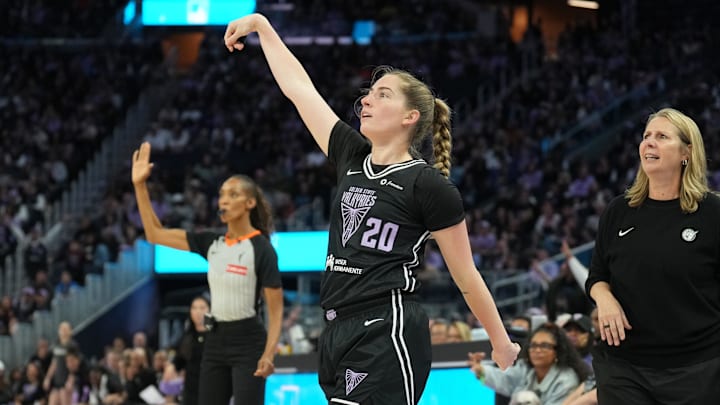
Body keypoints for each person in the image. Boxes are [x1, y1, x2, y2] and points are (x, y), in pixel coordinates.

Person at [223, 13, 520, 405]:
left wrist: (500, 342)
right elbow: (299, 89)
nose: (366, 98)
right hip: (336, 328)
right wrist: (262, 25)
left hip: (387, 326)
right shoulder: (351, 155)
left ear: (409, 117)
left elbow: (466, 275)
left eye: (383, 94)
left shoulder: (428, 185)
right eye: (369, 92)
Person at [132, 143, 284, 405]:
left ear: (249, 203)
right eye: (222, 194)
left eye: (233, 194)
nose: (224, 199)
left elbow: (276, 309)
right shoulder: (210, 242)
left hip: (248, 340)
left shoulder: (261, 248)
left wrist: (269, 353)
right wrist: (140, 186)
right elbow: (154, 233)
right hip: (215, 339)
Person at [586, 108, 720, 403]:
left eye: (661, 136)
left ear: (687, 152)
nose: (649, 143)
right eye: (646, 136)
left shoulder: (712, 213)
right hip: (624, 366)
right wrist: (604, 298)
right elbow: (597, 276)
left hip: (698, 368)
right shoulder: (618, 210)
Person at [469, 323, 589, 405]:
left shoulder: (566, 379)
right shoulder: (525, 369)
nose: (537, 350)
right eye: (534, 345)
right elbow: (503, 380)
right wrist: (480, 371)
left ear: (557, 351)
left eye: (545, 346)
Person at [173, 295, 210, 405]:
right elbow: (179, 360)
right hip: (190, 389)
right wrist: (171, 366)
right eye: (194, 308)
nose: (198, 312)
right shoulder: (187, 336)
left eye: (202, 308)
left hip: (211, 387)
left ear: (210, 310)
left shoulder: (215, 336)